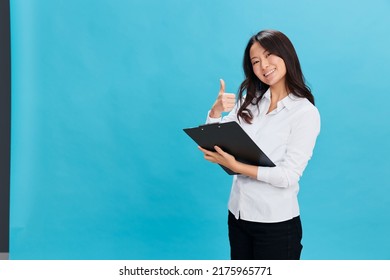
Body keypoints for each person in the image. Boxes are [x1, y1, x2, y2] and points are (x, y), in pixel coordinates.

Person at [198, 29, 320, 260]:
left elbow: (288, 176)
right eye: (256, 61)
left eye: (269, 55)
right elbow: (216, 140)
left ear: (286, 55)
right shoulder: (250, 101)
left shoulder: (305, 112)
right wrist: (215, 111)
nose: (263, 65)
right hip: (238, 215)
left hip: (275, 223)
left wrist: (238, 166)